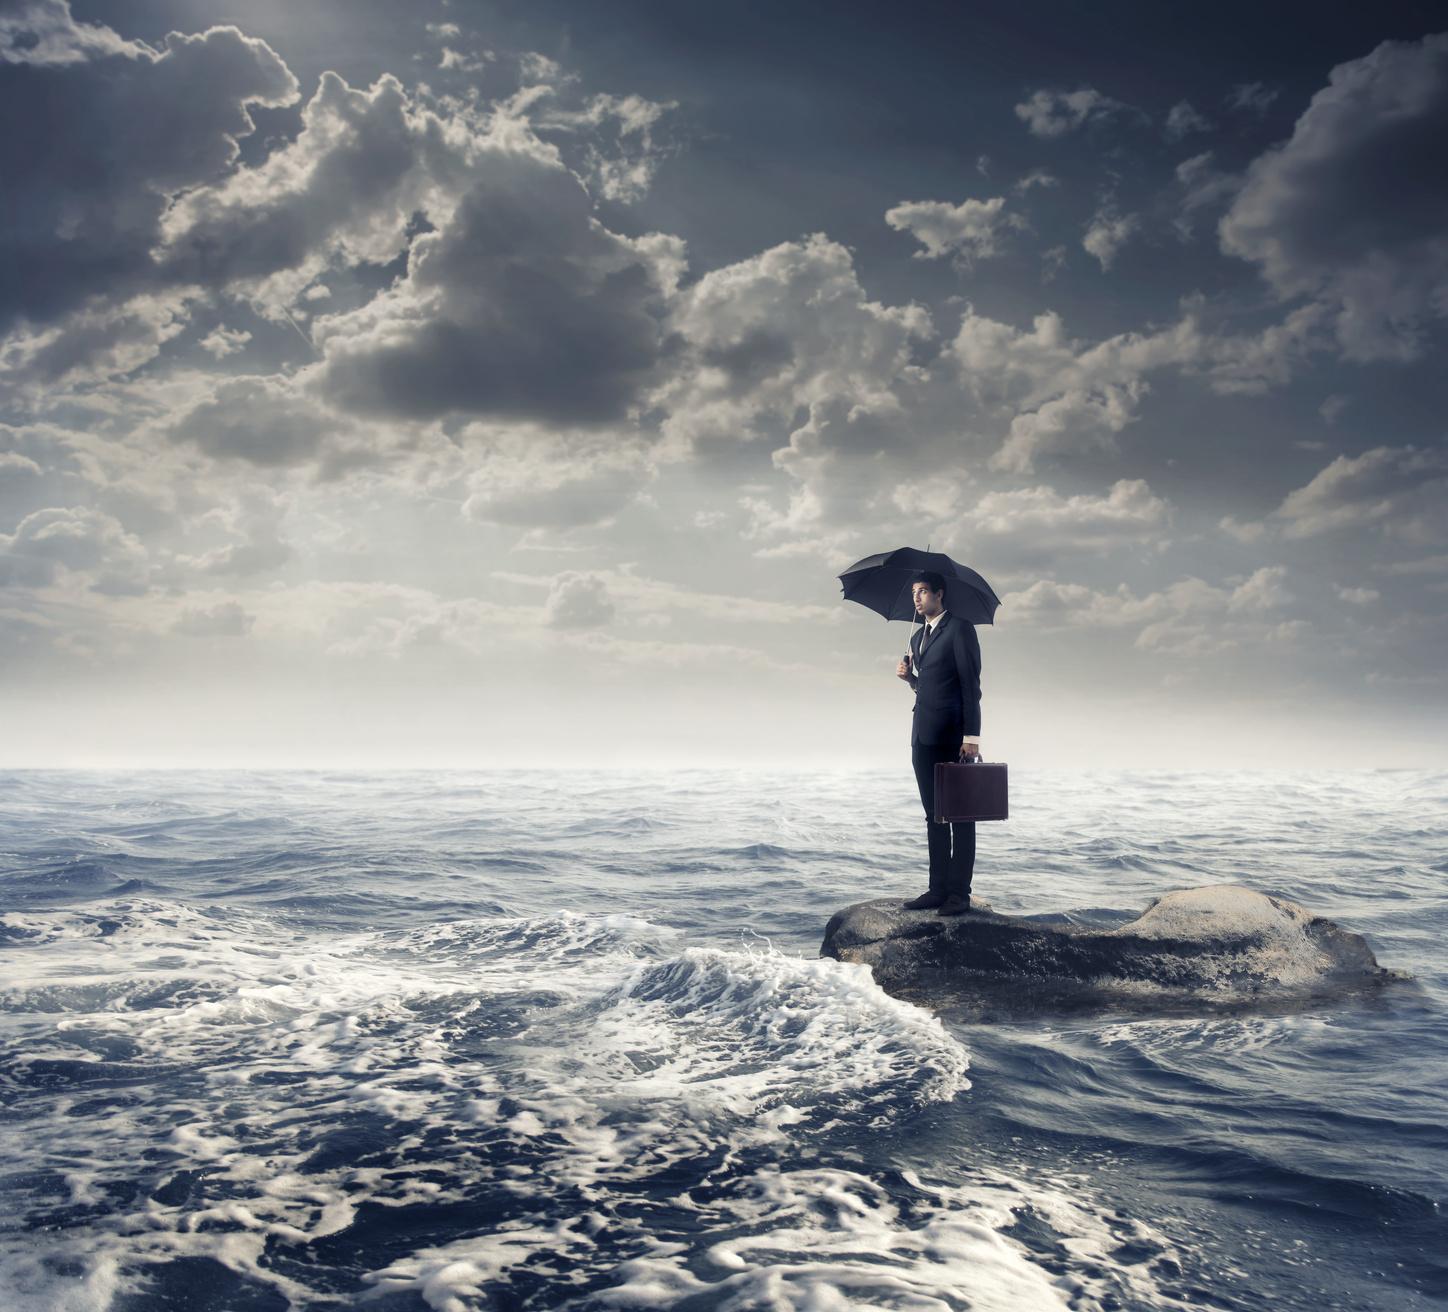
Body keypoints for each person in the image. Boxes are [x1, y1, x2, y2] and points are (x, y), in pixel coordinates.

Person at [894, 571, 982, 915]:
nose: (917, 598)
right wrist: (909, 679)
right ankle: (937, 888)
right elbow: (929, 689)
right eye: (914, 592)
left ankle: (960, 893)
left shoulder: (960, 628)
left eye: (923, 592)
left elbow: (969, 685)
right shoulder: (917, 637)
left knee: (960, 816)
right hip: (922, 736)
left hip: (954, 736)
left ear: (939, 595)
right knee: (933, 816)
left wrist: (971, 737)